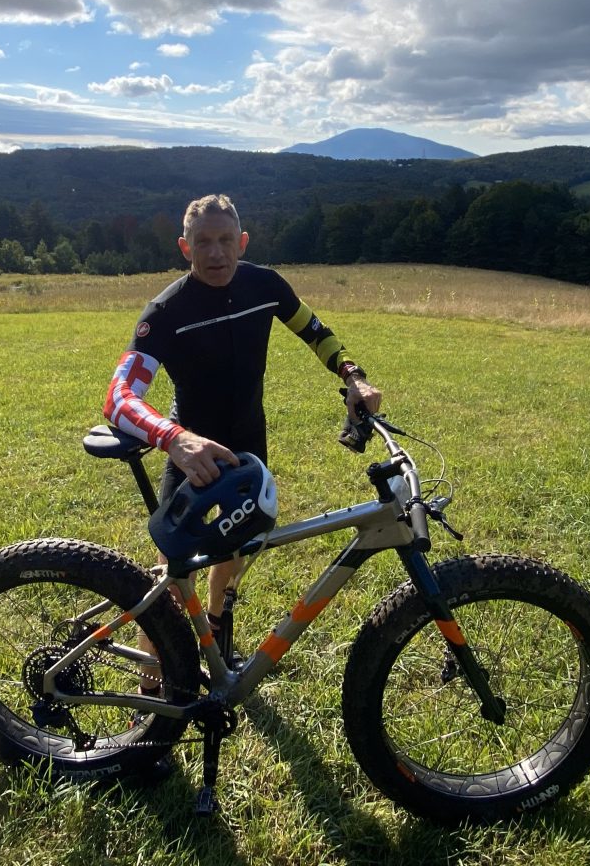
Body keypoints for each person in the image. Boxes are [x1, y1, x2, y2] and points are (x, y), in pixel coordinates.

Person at [103, 193, 382, 652]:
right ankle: (151, 682)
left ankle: (216, 632)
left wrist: (354, 378)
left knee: (236, 551)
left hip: (248, 444)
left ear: (243, 241)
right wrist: (175, 440)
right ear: (185, 247)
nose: (216, 253)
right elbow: (118, 397)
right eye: (203, 242)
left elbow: (317, 334)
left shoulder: (265, 285)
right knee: (174, 577)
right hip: (192, 451)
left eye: (226, 240)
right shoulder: (167, 311)